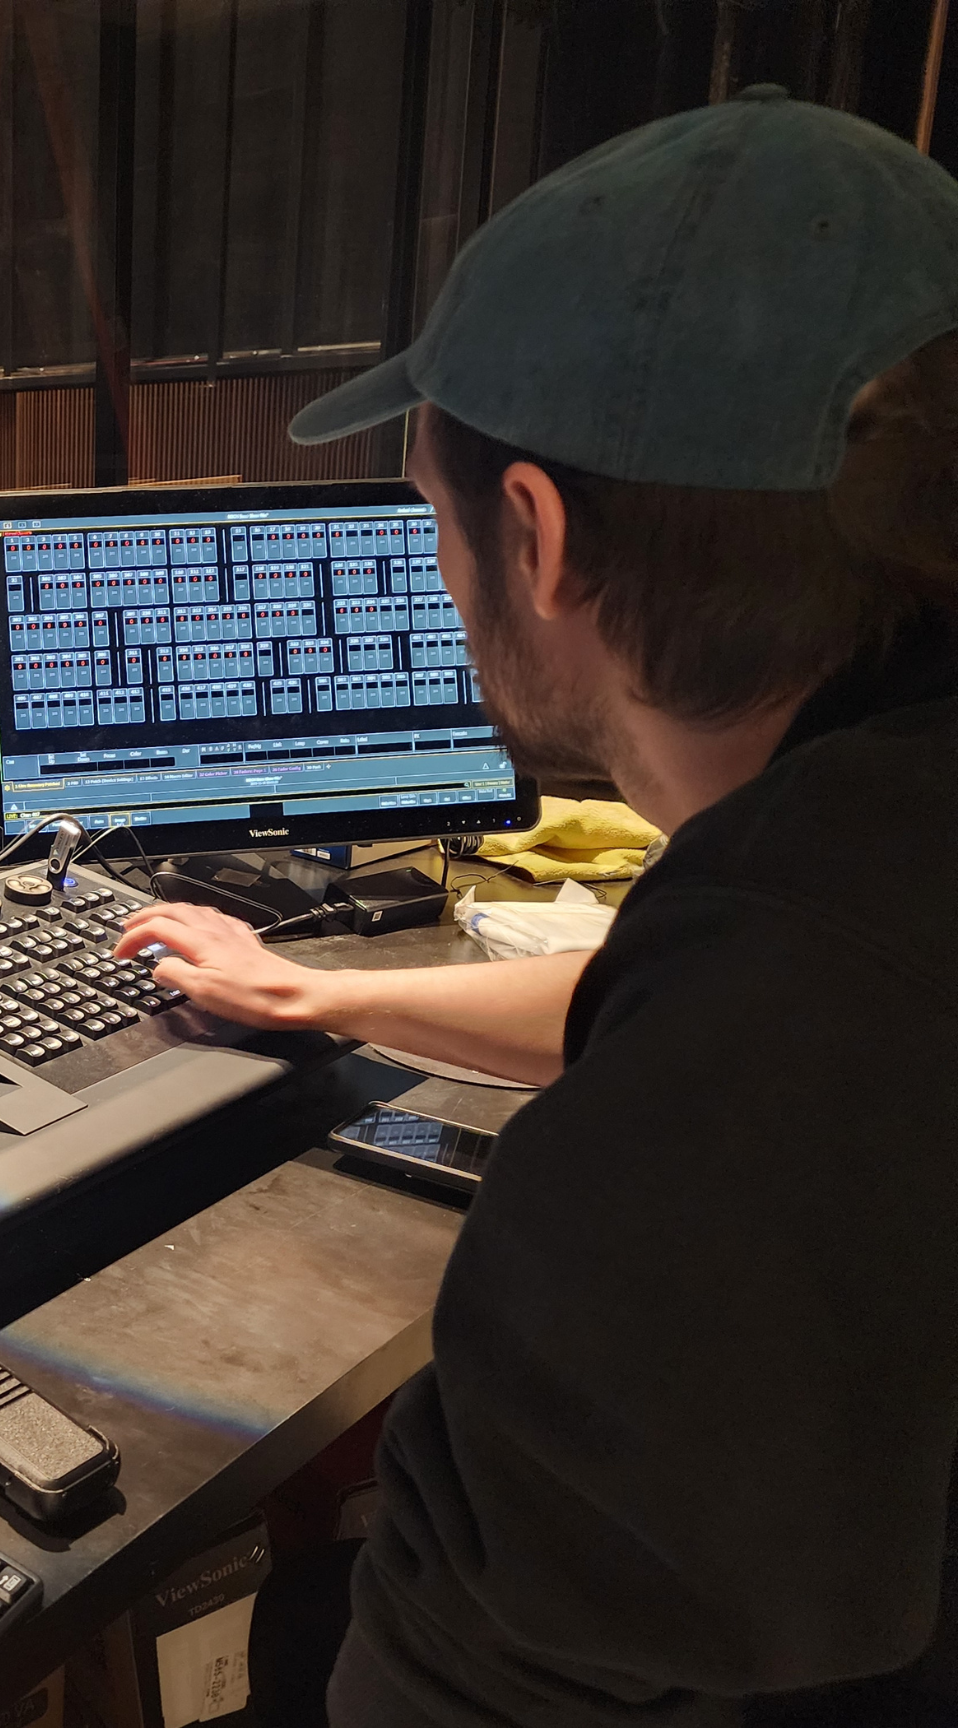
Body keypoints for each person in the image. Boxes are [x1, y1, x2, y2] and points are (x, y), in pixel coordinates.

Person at [115, 88, 958, 1725]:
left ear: (536, 535)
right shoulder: (852, 868)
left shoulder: (771, 1037)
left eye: (430, 518)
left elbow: (467, 1686)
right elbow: (683, 1002)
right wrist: (328, 993)